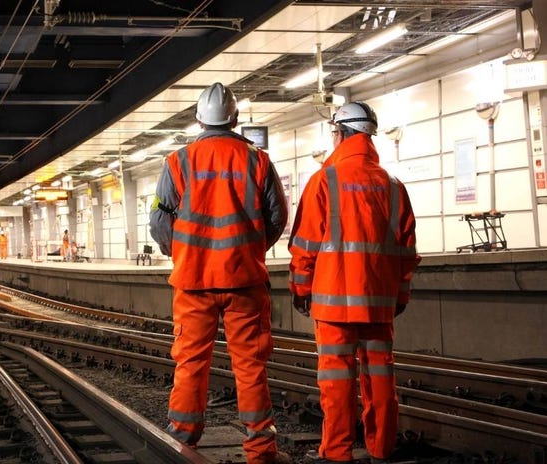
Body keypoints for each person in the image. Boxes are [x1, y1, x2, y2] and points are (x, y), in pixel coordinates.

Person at [149, 82, 290, 464]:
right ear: (236, 119)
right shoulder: (257, 160)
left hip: (193, 283)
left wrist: (182, 253)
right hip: (245, 281)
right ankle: (261, 449)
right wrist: (250, 249)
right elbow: (277, 216)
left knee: (191, 361)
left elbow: (159, 219)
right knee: (250, 364)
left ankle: (183, 442)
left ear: (197, 120)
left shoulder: (177, 162)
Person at [288, 102, 421, 464]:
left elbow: (305, 247)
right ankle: (381, 447)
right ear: (370, 137)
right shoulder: (394, 186)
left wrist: (300, 288)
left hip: (333, 306)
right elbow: (406, 250)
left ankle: (337, 451)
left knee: (337, 380)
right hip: (379, 303)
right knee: (380, 376)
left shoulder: (324, 181)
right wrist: (400, 295)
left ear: (341, 134)